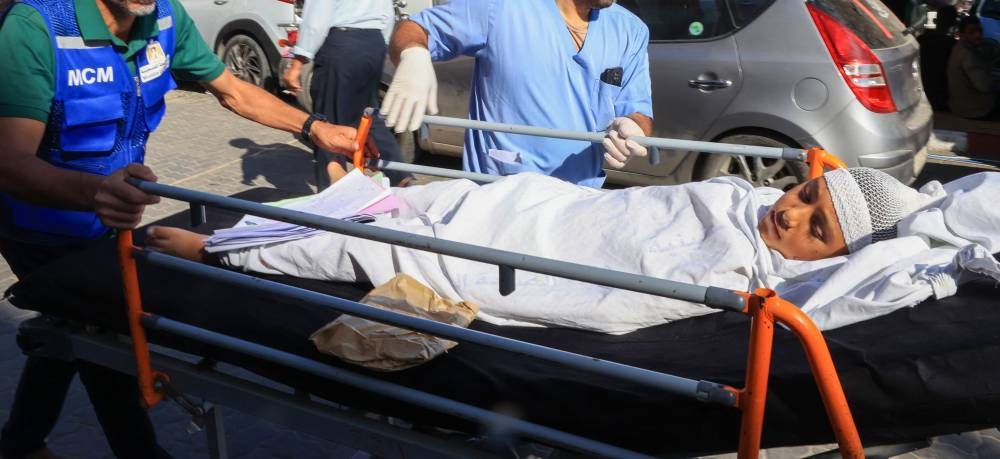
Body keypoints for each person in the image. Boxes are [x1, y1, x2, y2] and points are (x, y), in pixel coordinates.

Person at [0, 0, 363, 459]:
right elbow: (10, 164)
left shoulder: (164, 17)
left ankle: (19, 442)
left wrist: (312, 127)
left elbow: (231, 90)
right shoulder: (34, 29)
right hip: (40, 226)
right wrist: (96, 193)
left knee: (71, 333)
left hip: (112, 215)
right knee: (108, 332)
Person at [146, 166, 933, 333]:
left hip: (510, 248)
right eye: (803, 193)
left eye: (816, 225)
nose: (791, 213)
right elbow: (627, 206)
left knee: (372, 247)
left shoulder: (731, 277)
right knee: (388, 197)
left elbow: (610, 297)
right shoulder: (737, 196)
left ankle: (214, 247)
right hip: (528, 199)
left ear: (831, 259)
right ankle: (286, 215)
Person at [381, 0, 653, 187]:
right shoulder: (499, 4)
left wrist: (633, 127)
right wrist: (413, 55)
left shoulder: (630, 31)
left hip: (579, 205)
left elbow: (639, 110)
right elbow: (413, 29)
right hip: (498, 201)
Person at [281, 0, 410, 189]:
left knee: (326, 120)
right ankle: (400, 175)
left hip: (342, 47)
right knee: (369, 111)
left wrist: (297, 63)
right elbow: (387, 12)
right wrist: (379, 46)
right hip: (372, 45)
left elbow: (317, 19)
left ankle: (331, 195)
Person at [947, 16, 999, 119]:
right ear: (961, 35)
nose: (977, 35)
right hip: (975, 109)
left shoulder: (960, 48)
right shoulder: (968, 55)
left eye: (979, 30)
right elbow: (984, 86)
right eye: (972, 32)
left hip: (961, 105)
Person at [918, 5, 959, 111]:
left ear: (936, 20)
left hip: (920, 94)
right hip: (940, 98)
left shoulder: (921, 40)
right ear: (953, 24)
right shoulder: (953, 45)